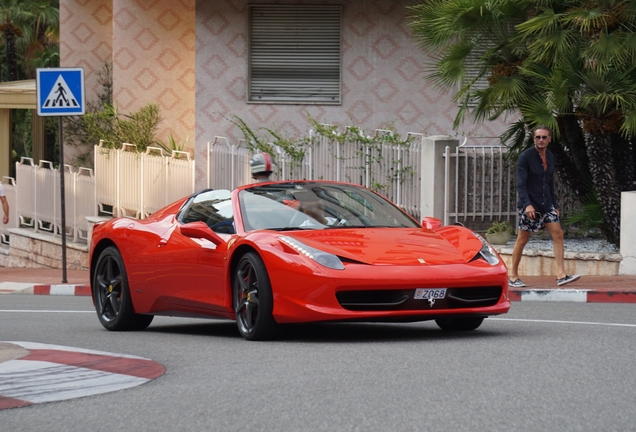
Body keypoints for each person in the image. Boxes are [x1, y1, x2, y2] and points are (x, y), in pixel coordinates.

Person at [508, 125, 580, 287]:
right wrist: (527, 205)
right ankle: (513, 275)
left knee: (558, 234)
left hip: (547, 204)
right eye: (538, 137)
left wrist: (554, 204)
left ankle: (561, 274)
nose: (541, 140)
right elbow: (520, 184)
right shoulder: (525, 157)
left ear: (550, 139)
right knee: (522, 240)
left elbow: (549, 183)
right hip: (530, 205)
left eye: (544, 137)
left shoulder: (551, 157)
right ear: (534, 139)